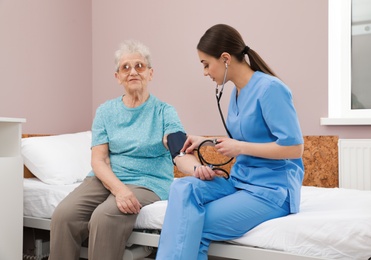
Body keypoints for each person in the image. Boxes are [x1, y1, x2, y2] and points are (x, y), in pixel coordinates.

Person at [156, 24, 304, 260]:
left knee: (194, 222)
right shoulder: (236, 93)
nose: (205, 72)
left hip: (271, 191)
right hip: (240, 181)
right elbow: (247, 138)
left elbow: (294, 147)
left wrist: (240, 147)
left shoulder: (271, 89)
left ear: (225, 59)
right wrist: (207, 141)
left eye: (206, 64)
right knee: (182, 186)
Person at [48, 39, 188, 260]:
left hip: (147, 180)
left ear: (150, 73)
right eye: (126, 67)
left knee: (104, 216)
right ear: (118, 77)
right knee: (64, 215)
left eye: (139, 66)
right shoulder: (106, 111)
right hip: (106, 177)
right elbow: (99, 160)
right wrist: (120, 190)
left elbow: (178, 147)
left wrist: (196, 168)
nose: (133, 72)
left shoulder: (164, 111)